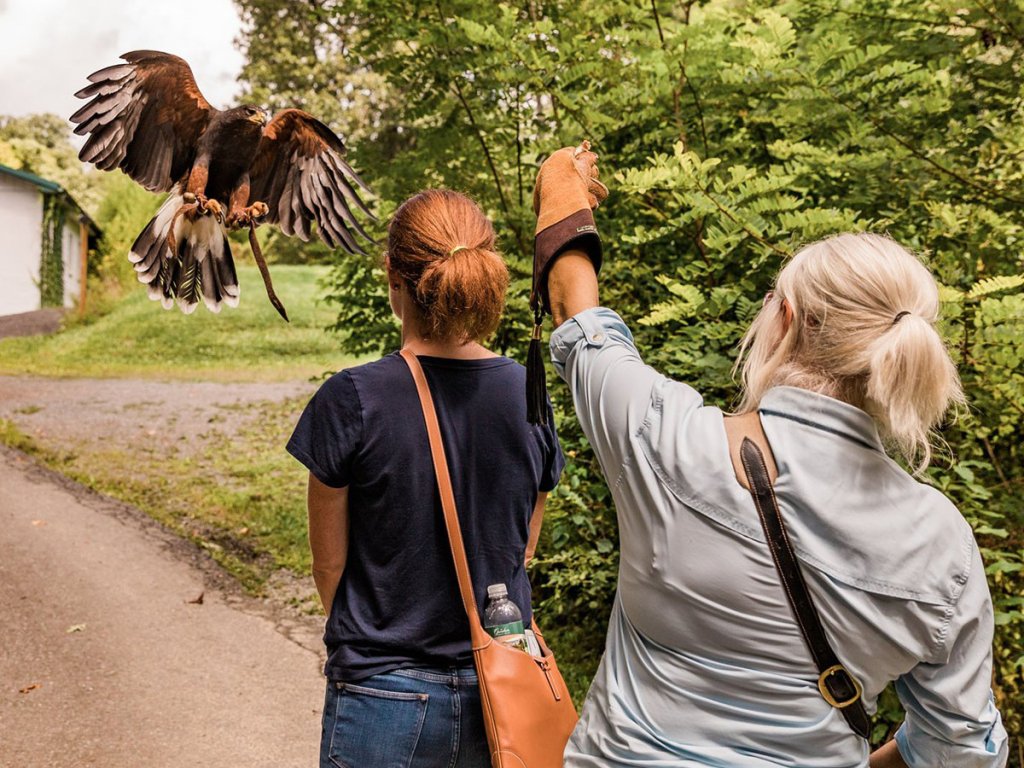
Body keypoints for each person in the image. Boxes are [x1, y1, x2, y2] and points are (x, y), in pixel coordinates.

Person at [529, 144, 1008, 767]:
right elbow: (962, 747)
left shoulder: (671, 442)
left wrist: (561, 197)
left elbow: (581, 320)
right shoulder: (942, 545)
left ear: (785, 319)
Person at [286, 189, 564, 768]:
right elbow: (524, 545)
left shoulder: (353, 399)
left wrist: (376, 633)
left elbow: (329, 567)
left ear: (392, 272)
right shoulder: (525, 391)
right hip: (504, 686)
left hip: (382, 693)